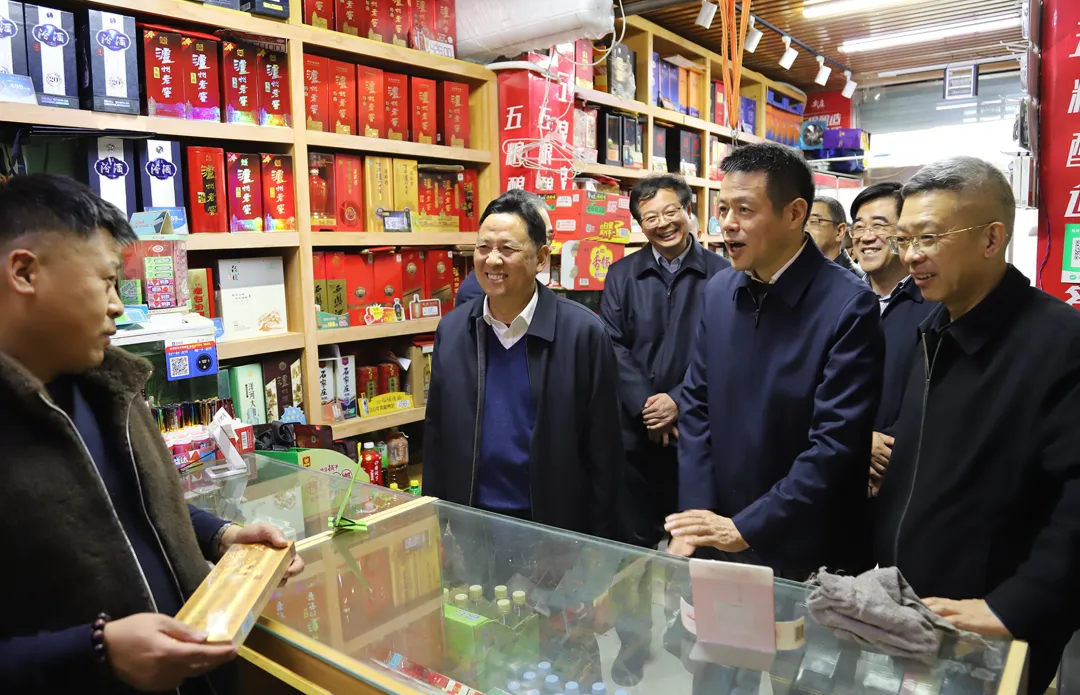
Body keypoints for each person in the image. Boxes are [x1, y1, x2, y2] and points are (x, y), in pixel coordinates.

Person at [0, 174, 303, 694]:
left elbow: (137, 502)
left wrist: (221, 536)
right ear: (25, 272)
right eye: (106, 280)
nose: (117, 305)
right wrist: (98, 651)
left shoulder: (108, 385)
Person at [871, 157, 1080, 694]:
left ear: (992, 239)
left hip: (991, 628)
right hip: (913, 611)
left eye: (929, 237)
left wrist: (1015, 606)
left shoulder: (1060, 344)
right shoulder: (932, 331)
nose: (911, 255)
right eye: (904, 239)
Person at [666, 143, 883, 576]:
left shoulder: (848, 304)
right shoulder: (718, 291)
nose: (728, 224)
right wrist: (697, 514)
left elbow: (836, 444)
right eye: (723, 209)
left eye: (744, 210)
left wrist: (749, 527)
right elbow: (696, 405)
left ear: (795, 213)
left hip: (804, 540)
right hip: (718, 531)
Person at [422, 189, 622, 538]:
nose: (492, 260)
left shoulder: (582, 333)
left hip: (555, 530)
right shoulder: (453, 330)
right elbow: (437, 433)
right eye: (483, 247)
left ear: (541, 258)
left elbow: (605, 450)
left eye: (507, 249)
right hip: (473, 523)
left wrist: (600, 544)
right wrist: (437, 519)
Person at [600, 175, 728, 685]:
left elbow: (720, 349)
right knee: (630, 552)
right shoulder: (622, 274)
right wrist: (646, 405)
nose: (662, 224)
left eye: (671, 212)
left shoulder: (722, 274)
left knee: (697, 547)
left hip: (696, 437)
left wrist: (677, 401)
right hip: (633, 437)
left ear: (690, 211)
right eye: (649, 217)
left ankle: (695, 642)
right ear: (639, 224)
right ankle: (633, 645)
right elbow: (611, 344)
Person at [849, 182, 936, 496]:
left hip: (905, 478)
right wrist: (857, 438)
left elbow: (934, 397)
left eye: (879, 225)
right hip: (838, 469)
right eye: (859, 226)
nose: (866, 236)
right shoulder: (839, 300)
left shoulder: (935, 306)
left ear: (906, 234)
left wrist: (887, 448)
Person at [808, 195, 864, 279]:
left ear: (839, 231)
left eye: (814, 222)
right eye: (803, 223)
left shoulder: (856, 279)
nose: (805, 230)